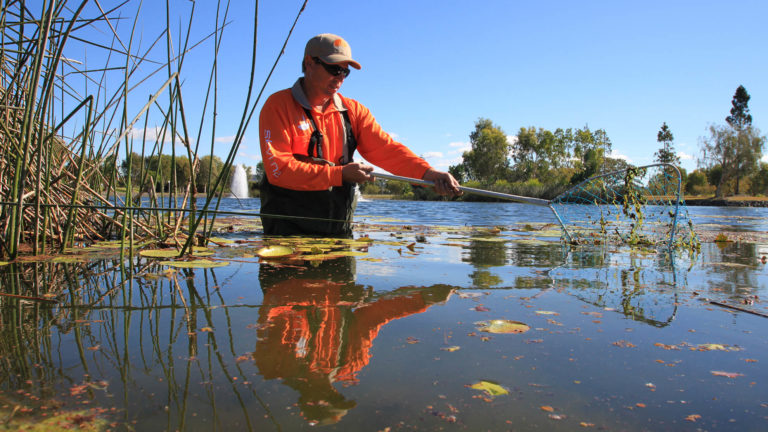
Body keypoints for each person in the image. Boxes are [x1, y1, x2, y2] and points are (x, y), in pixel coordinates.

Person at [259, 33, 461, 236]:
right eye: (334, 68)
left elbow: (387, 150)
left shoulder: (354, 111)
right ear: (309, 63)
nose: (340, 77)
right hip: (285, 235)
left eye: (345, 72)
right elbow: (279, 170)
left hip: (339, 233)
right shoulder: (277, 106)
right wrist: (340, 174)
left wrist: (428, 174)